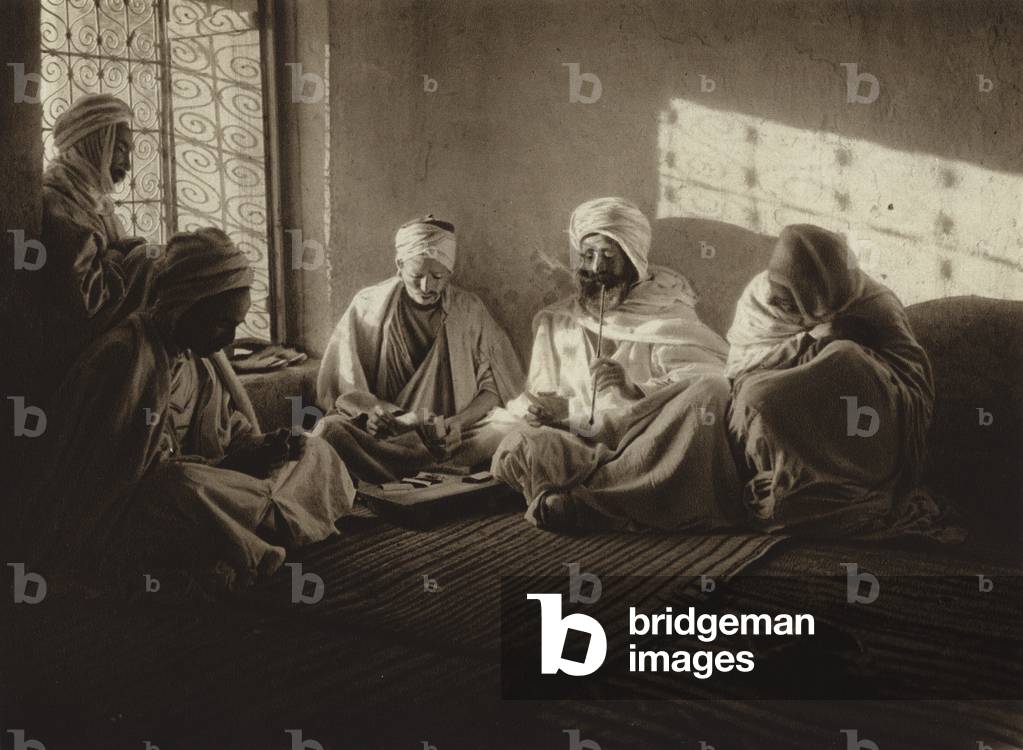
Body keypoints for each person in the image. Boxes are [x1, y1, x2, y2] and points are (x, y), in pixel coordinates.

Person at [9, 228, 355, 592]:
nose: (229, 340)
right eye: (221, 323)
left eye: (235, 326)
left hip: (217, 484)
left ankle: (248, 528)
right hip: (136, 509)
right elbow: (119, 478)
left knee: (316, 450)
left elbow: (226, 427)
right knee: (181, 488)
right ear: (184, 304)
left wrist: (260, 445)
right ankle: (261, 526)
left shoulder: (195, 356)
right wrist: (228, 467)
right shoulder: (124, 357)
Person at [490, 197, 746, 532]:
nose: (596, 268)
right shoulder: (556, 321)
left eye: (609, 257)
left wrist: (633, 388)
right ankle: (605, 498)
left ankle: (588, 502)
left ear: (633, 261)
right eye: (588, 255)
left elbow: (707, 378)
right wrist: (548, 412)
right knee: (518, 445)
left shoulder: (665, 311)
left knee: (709, 394)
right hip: (580, 441)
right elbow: (541, 399)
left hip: (644, 442)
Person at [725, 223, 936, 536]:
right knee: (757, 397)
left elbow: (912, 382)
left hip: (857, 431)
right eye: (776, 289)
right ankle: (792, 478)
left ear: (816, 295)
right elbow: (741, 370)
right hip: (792, 423)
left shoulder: (875, 304)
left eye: (786, 299)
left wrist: (840, 349)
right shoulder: (759, 298)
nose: (772, 302)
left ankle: (841, 481)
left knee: (846, 359)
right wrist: (810, 340)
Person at [315, 216, 524, 482]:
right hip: (392, 435)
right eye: (417, 276)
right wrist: (372, 416)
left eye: (438, 277)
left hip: (456, 437)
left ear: (450, 272)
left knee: (515, 427)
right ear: (399, 266)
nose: (427, 287)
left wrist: (458, 423)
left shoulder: (469, 309)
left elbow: (494, 387)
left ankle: (409, 477)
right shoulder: (367, 305)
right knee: (329, 431)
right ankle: (440, 477)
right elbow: (346, 387)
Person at [35, 93, 157, 394]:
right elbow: (84, 300)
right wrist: (136, 259)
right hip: (74, 353)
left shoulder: (94, 200)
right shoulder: (58, 201)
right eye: (120, 149)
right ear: (95, 141)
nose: (127, 165)